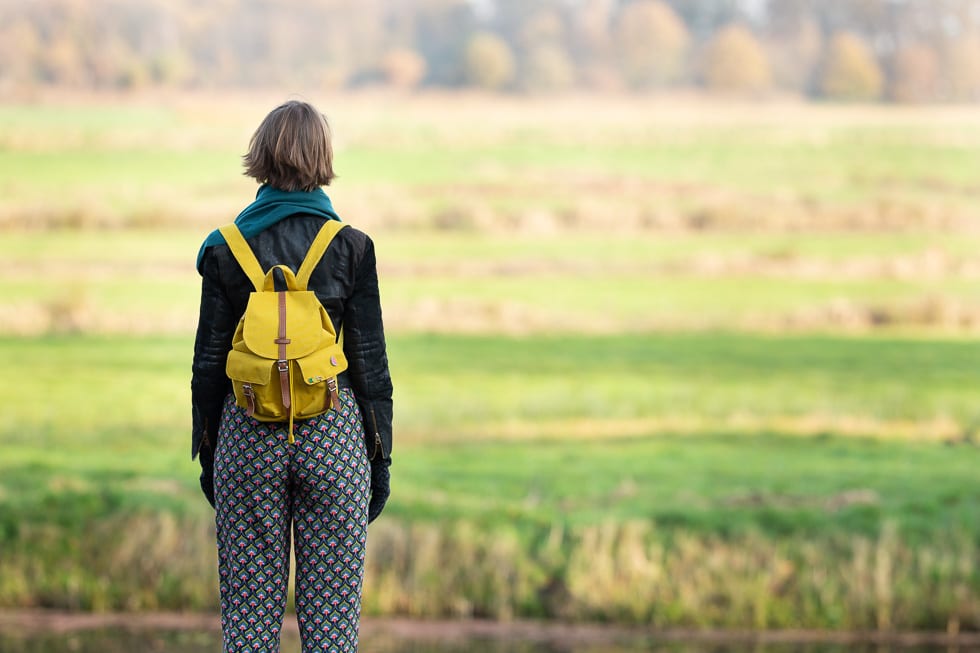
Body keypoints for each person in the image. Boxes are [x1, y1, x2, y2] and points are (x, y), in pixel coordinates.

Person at [191, 100, 393, 653]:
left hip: (249, 435)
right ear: (322, 159)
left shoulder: (224, 248)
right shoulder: (351, 246)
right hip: (332, 436)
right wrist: (380, 458)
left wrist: (209, 453)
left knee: (249, 629)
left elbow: (208, 365)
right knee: (332, 633)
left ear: (259, 156)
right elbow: (370, 364)